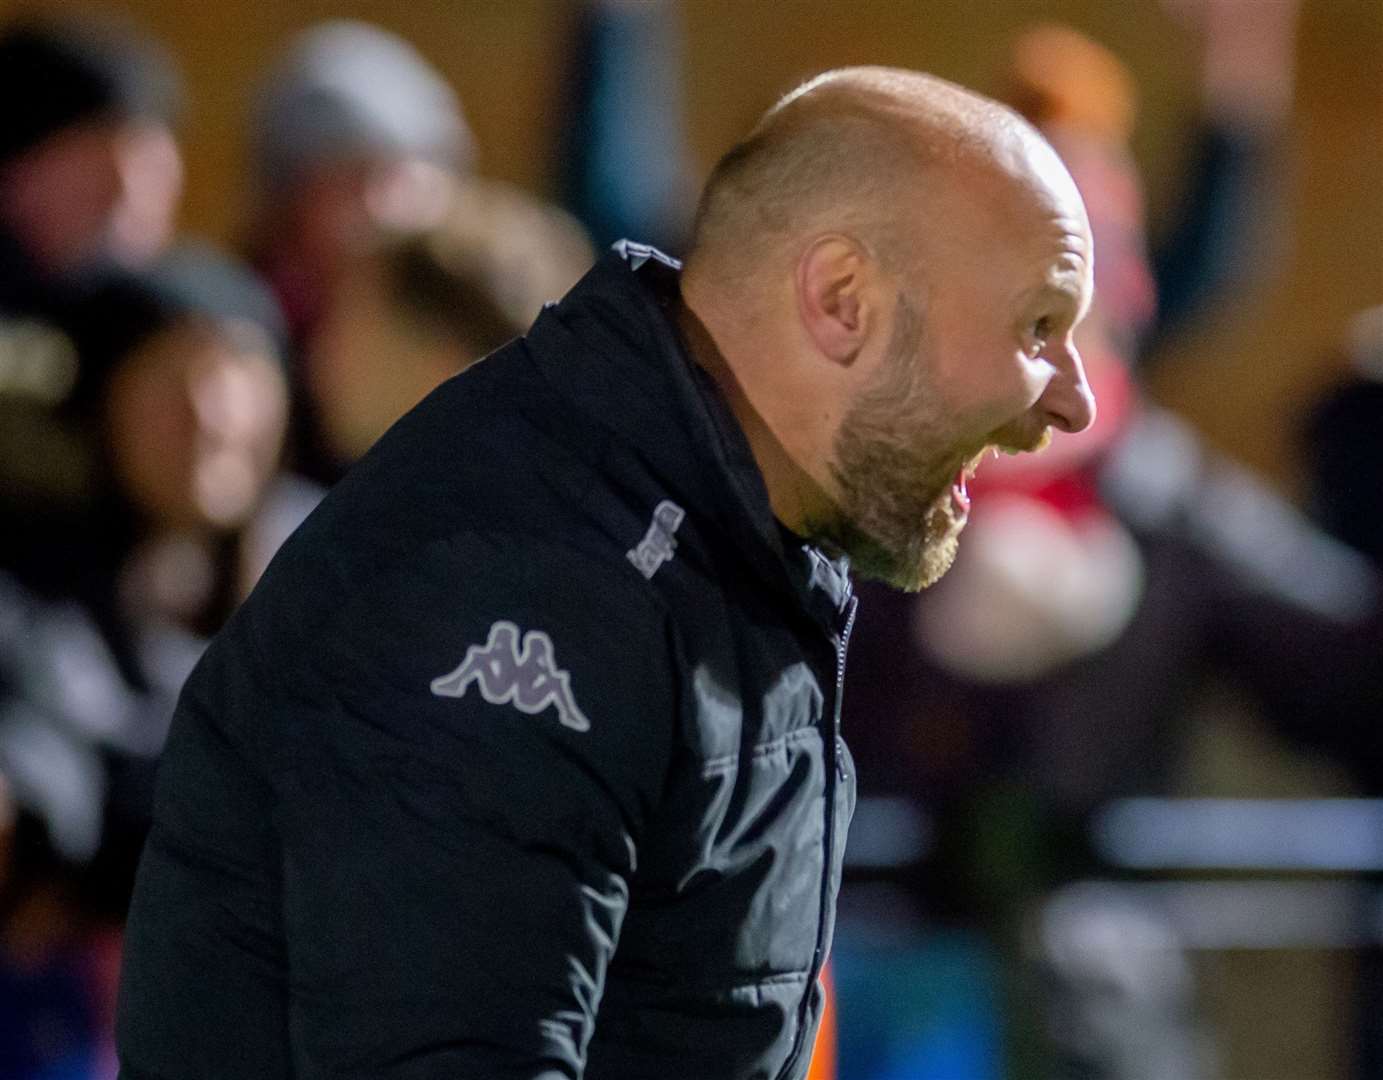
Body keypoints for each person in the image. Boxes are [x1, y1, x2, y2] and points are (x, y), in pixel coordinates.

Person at [114, 67, 1096, 1079]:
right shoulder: (528, 574)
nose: (1073, 405)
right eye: (1035, 329)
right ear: (842, 300)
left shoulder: (739, 552)